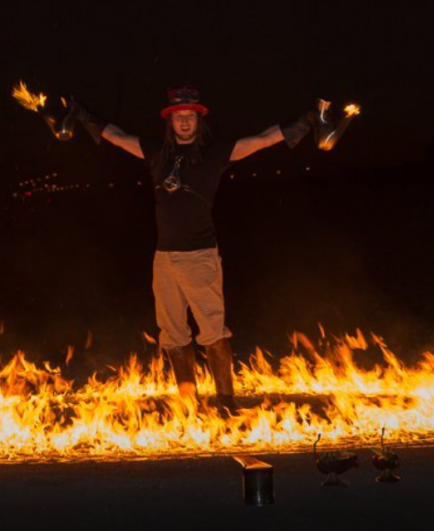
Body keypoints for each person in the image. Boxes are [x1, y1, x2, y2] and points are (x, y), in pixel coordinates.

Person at [71, 86, 317, 412]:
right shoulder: (157, 152)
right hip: (164, 259)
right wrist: (82, 112)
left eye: (190, 116)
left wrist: (308, 119)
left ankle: (226, 403)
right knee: (172, 336)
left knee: (213, 333)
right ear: (170, 121)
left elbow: (263, 138)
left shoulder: (215, 153)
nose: (184, 122)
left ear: (199, 120)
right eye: (178, 117)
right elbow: (116, 135)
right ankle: (189, 405)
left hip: (200, 258)